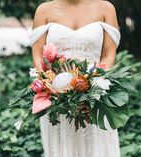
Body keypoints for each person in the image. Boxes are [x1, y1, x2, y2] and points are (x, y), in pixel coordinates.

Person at [30, 0, 121, 156]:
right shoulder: (44, 11)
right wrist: (55, 90)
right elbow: (38, 56)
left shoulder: (106, 8)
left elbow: (108, 55)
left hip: (94, 98)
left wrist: (91, 86)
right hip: (56, 98)